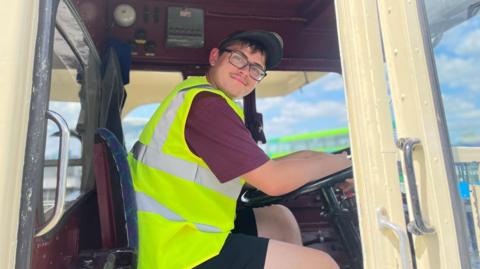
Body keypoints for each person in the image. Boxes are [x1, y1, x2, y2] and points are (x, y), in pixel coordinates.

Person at [128, 30, 351, 269]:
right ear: (215, 57)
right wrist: (347, 167)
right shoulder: (208, 107)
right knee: (321, 265)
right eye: (238, 58)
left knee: (278, 219)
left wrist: (332, 161)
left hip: (175, 233)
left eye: (256, 69)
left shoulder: (197, 98)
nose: (245, 71)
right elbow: (274, 181)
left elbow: (262, 172)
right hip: (177, 251)